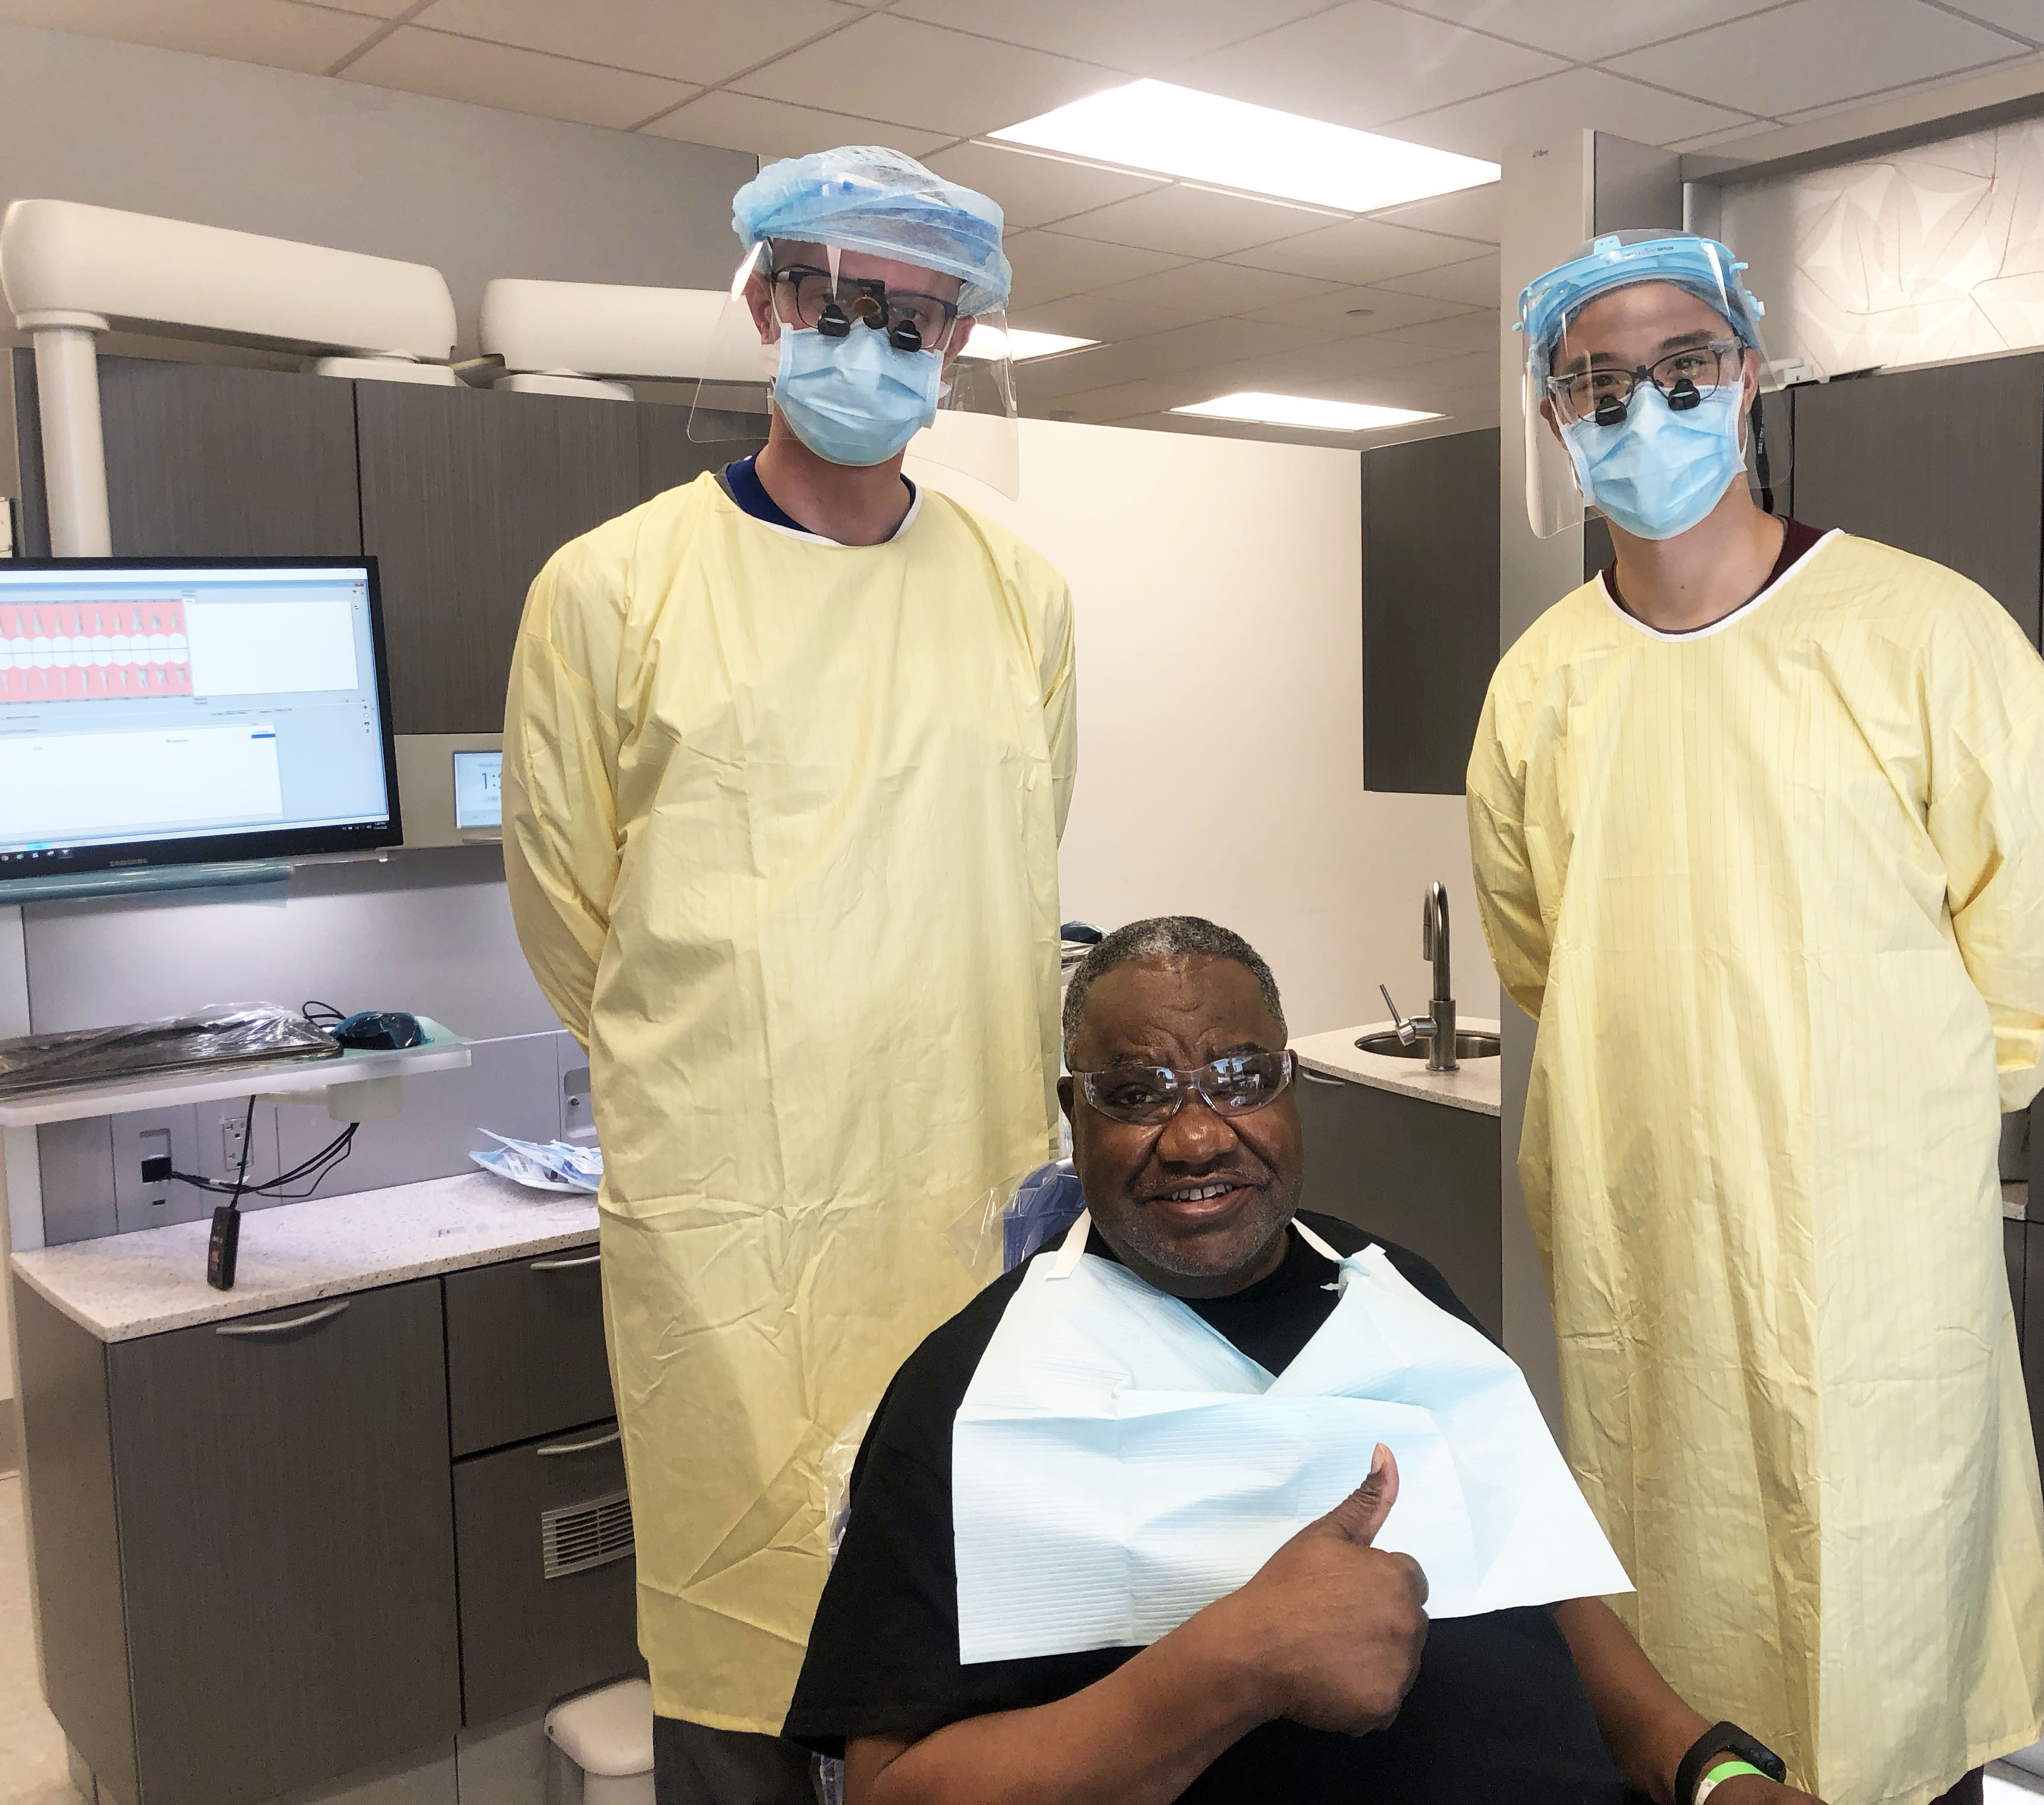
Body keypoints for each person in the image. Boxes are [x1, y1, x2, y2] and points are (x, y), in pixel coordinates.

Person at [1468, 230, 2044, 1805]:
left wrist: (1883, 1132)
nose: (1644, 408)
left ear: (1746, 375)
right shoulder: (1540, 686)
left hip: (1877, 1285)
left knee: (1888, 1666)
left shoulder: (1926, 636)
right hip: (1645, 1259)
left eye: (1682, 365)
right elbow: (1547, 956)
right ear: (1556, 415)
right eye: (1597, 382)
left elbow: (2032, 963)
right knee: (1678, 1658)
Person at [502, 146, 1075, 1800]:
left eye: (919, 316)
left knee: (961, 1677)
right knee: (743, 1683)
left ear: (962, 337)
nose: (879, 346)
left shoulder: (1017, 598)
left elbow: (1014, 881)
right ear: (764, 303)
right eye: (840, 304)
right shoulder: (614, 589)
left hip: (960, 1208)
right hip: (733, 1234)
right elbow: (570, 923)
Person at [788, 916, 1831, 1805]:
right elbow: (893, 1789)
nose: (1197, 1137)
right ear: (1076, 1115)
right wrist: (1235, 1669)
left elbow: (1535, 1582)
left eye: (1239, 1079)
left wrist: (1706, 1769)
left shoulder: (1402, 1292)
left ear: (1293, 1089)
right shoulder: (968, 1393)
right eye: (1140, 1092)